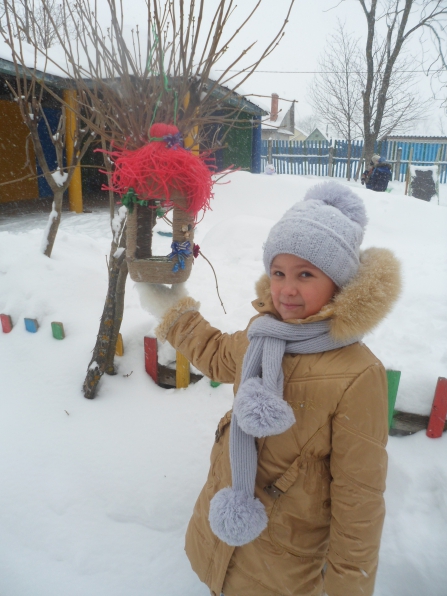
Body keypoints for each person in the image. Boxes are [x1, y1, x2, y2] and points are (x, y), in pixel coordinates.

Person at [138, 181, 401, 596]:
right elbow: (218, 354)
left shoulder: (357, 373)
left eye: (305, 274)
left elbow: (359, 499)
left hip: (284, 558)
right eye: (278, 273)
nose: (286, 289)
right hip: (223, 524)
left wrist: (348, 587)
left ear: (339, 282)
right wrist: (173, 312)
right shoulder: (264, 334)